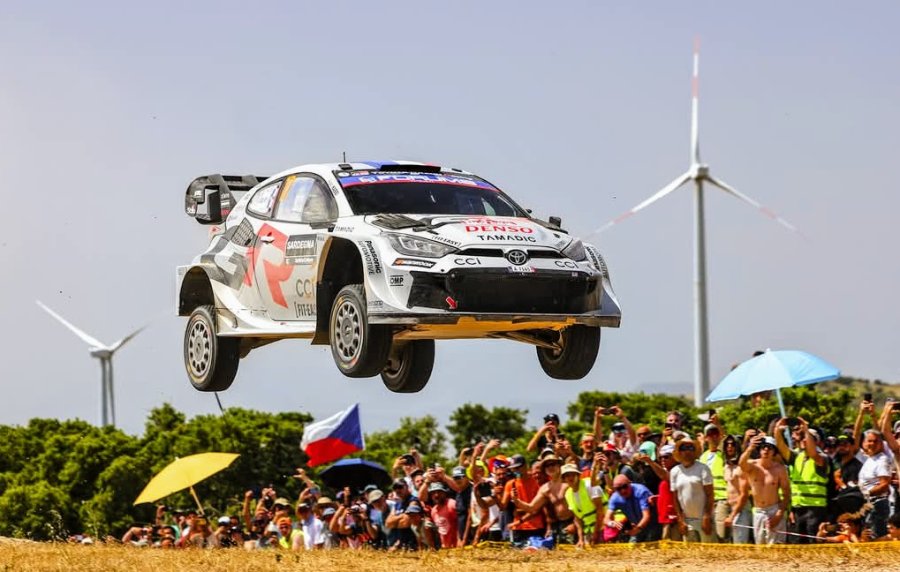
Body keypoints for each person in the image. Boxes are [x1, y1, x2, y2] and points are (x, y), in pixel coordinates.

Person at [774, 417, 829, 544]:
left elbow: (813, 453)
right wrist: (777, 431)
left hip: (815, 509)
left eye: (807, 437)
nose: (803, 439)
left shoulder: (821, 458)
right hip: (799, 508)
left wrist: (805, 428)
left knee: (814, 543)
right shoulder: (796, 456)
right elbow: (782, 447)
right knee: (798, 543)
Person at [511, 454, 577, 545]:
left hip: (571, 523)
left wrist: (574, 524)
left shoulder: (569, 482)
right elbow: (532, 508)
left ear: (559, 466)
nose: (550, 467)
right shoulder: (545, 488)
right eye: (547, 466)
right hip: (556, 526)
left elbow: (580, 505)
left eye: (553, 464)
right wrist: (516, 500)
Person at [740, 435, 790, 545]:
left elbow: (787, 494)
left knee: (777, 547)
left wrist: (779, 514)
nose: (766, 450)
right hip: (758, 512)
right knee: (760, 546)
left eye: (769, 447)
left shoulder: (779, 469)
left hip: (774, 509)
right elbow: (741, 464)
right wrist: (749, 448)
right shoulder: (752, 466)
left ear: (774, 452)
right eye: (763, 447)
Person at [670, 437, 716, 543]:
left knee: (709, 553)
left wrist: (707, 516)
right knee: (690, 555)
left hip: (703, 518)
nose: (687, 451)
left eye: (690, 447)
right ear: (679, 451)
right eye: (683, 448)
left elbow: (710, 495)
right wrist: (680, 520)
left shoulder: (703, 468)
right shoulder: (675, 471)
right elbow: (675, 498)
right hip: (687, 520)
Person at [502, 457, 546, 544]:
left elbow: (536, 509)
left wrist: (519, 515)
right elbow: (502, 507)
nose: (516, 470)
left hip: (535, 526)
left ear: (525, 466)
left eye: (518, 467)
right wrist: (494, 496)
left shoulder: (536, 482)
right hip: (518, 528)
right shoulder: (510, 484)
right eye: (514, 468)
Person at [560, 463, 606, 547]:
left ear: (578, 475)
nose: (570, 477)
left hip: (604, 528)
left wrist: (596, 533)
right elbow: (577, 518)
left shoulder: (589, 484)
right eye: (567, 475)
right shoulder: (568, 494)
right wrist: (580, 538)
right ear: (564, 479)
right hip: (589, 531)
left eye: (573, 474)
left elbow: (600, 510)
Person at [699, 419, 728, 542]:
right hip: (707, 501)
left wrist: (718, 424)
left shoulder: (724, 453)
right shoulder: (703, 456)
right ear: (706, 438)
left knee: (722, 535)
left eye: (716, 434)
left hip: (722, 499)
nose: (714, 437)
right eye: (710, 434)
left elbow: (726, 441)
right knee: (709, 535)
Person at [721, 434, 752, 544]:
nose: (729, 447)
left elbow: (744, 494)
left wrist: (733, 515)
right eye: (727, 444)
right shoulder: (725, 466)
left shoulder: (741, 467)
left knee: (740, 544)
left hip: (741, 510)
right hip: (728, 508)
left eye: (733, 444)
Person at [603, 475, 652, 542]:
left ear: (630, 483)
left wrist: (637, 529)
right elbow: (606, 519)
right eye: (619, 489)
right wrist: (611, 523)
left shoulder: (641, 491)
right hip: (637, 527)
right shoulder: (615, 498)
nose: (623, 491)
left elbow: (646, 516)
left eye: (625, 486)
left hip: (652, 524)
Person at [427, 482, 458, 549]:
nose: (436, 495)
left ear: (445, 493)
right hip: (445, 547)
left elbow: (460, 524)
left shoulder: (452, 504)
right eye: (433, 493)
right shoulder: (433, 510)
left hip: (457, 546)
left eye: (439, 492)